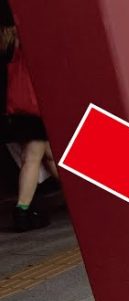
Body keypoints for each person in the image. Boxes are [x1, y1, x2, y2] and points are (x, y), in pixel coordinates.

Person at [1, 23, 56, 232]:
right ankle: (21, 210)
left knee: (49, 156)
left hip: (16, 110)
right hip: (34, 108)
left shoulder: (6, 46)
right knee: (31, 158)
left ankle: (83, 197)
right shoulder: (22, 38)